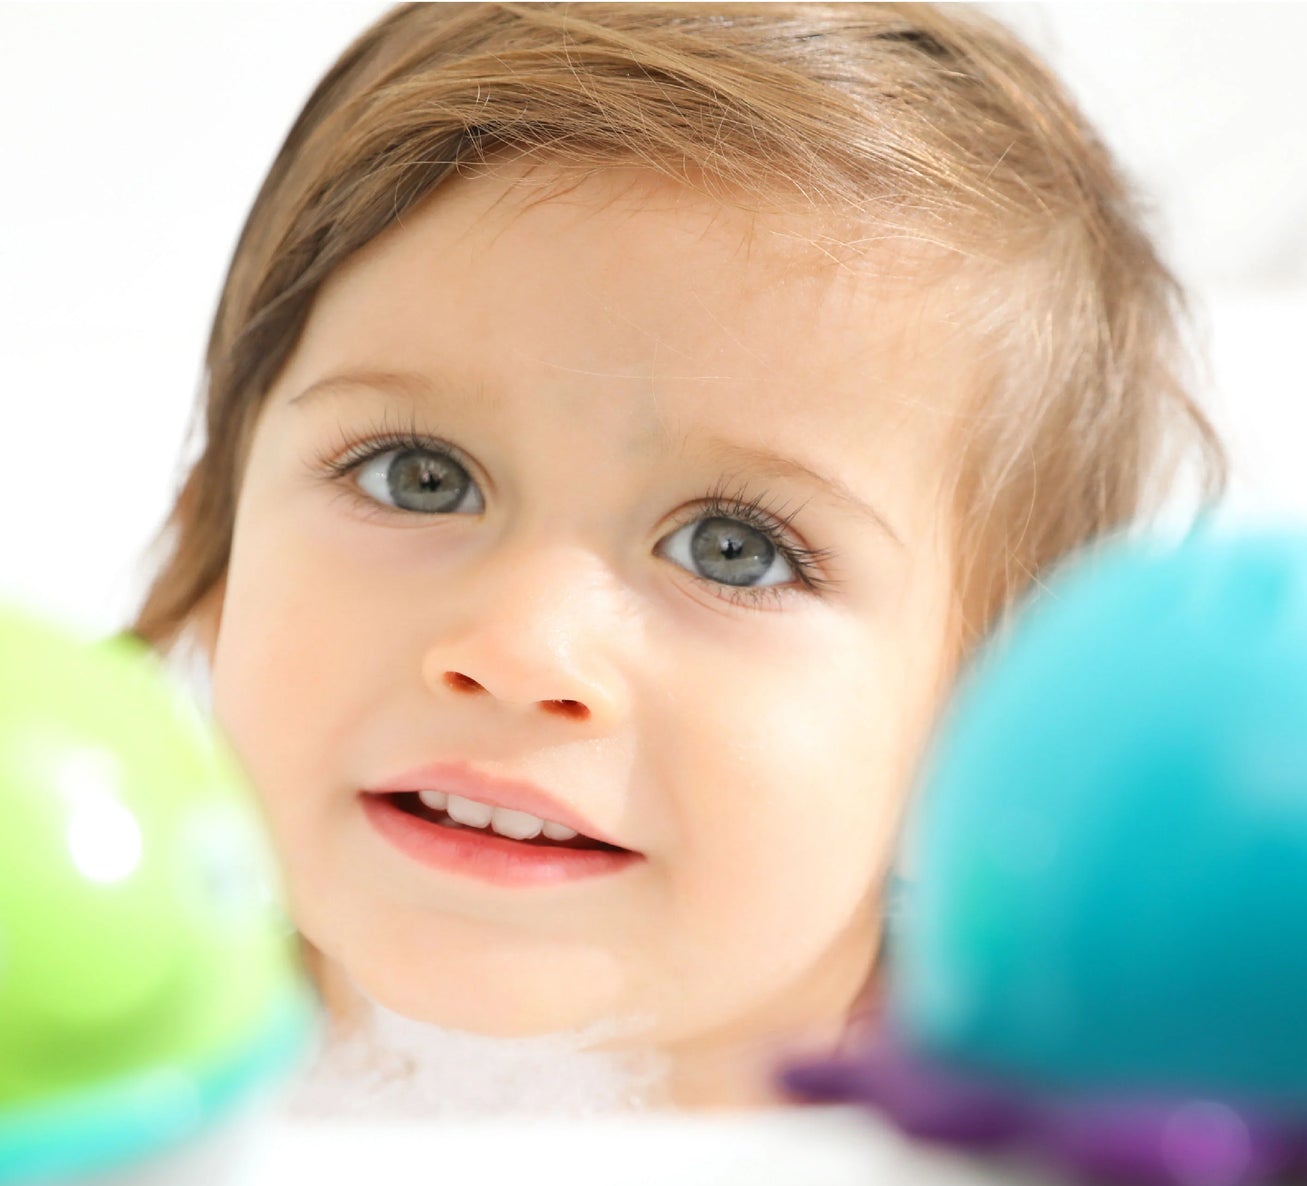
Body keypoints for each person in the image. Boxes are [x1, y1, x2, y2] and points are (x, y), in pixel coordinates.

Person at [126, 1, 1223, 1111]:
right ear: (212, 545)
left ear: (986, 733)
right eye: (418, 474)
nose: (519, 650)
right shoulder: (104, 1058)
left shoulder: (1052, 1145)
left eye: (732, 549)